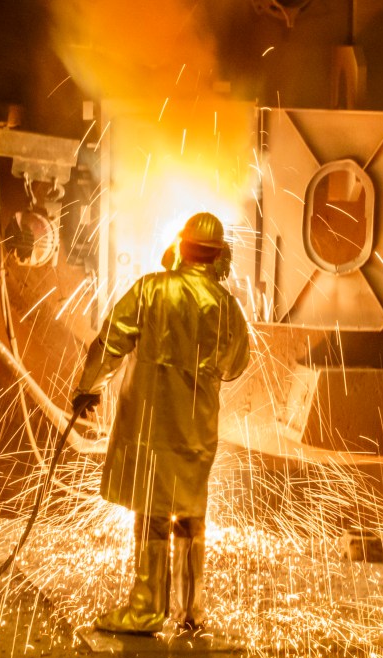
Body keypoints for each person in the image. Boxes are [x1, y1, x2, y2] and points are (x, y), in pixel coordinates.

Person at [71, 211, 250, 635]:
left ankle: (146, 610)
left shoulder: (150, 289)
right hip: (196, 430)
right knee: (191, 514)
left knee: (151, 514)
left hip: (148, 428)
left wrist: (87, 387)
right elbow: (235, 365)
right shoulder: (227, 307)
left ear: (181, 247)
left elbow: (110, 340)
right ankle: (191, 611)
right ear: (218, 255)